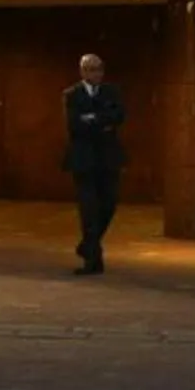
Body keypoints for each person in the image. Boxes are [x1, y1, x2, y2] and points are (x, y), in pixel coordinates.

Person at [60, 52, 126, 275]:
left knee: (109, 204)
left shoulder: (112, 92)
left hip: (108, 158)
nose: (96, 73)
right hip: (83, 160)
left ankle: (87, 245)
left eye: (99, 68)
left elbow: (119, 116)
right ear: (82, 71)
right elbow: (74, 125)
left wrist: (92, 119)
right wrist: (101, 120)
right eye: (90, 69)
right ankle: (93, 261)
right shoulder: (72, 94)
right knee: (89, 210)